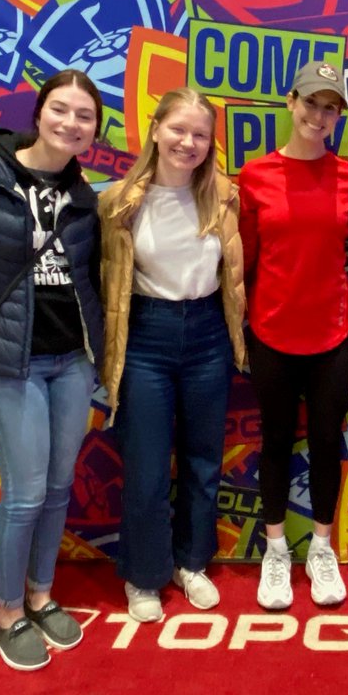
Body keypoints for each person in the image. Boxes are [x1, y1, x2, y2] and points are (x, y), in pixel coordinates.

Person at [0, 70, 105, 671]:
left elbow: (89, 281)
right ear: (39, 114)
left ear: (94, 130)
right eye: (61, 110)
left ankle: (41, 594)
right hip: (12, 363)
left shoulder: (85, 195)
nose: (71, 123)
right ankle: (7, 613)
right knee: (24, 495)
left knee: (60, 486)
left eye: (84, 116)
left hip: (70, 362)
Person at [100, 87, 246, 623]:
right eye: (178, 130)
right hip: (146, 336)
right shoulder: (118, 200)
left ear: (211, 144)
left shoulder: (224, 196)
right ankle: (144, 575)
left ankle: (191, 562)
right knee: (145, 467)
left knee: (204, 459)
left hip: (208, 331)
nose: (188, 142)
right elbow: (104, 283)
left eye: (201, 135)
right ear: (156, 129)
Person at [238, 61, 348, 609]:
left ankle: (321, 548)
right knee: (275, 442)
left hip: (332, 335)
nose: (319, 116)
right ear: (290, 102)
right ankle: (276, 552)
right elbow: (244, 260)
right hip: (270, 332)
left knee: (324, 443)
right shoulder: (254, 177)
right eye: (312, 103)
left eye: (331, 107)